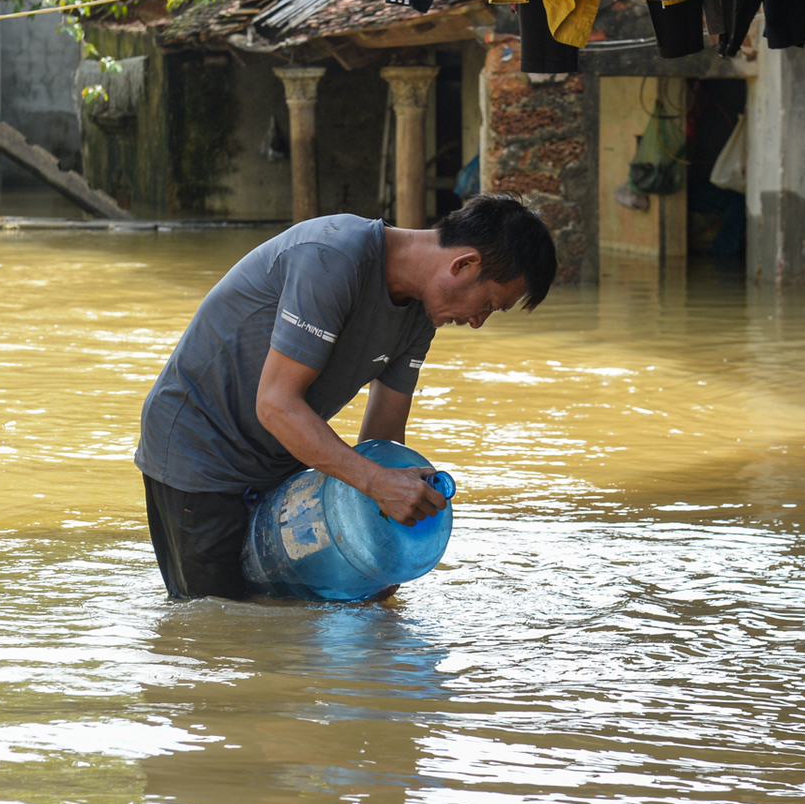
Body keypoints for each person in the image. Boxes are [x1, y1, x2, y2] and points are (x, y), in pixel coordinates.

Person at [135, 193, 558, 600]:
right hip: (199, 451)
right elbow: (276, 403)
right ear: (464, 265)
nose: (478, 322)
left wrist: (383, 547)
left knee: (289, 617)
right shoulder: (333, 257)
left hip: (281, 456)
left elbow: (384, 440)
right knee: (220, 631)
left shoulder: (420, 319)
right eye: (489, 305)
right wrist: (376, 484)